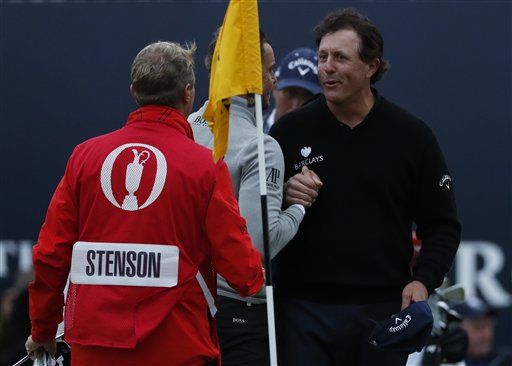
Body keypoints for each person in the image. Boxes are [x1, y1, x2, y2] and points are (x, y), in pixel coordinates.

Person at [24, 41, 265, 366]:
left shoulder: (85, 157)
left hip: (95, 350)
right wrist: (256, 275)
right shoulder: (206, 166)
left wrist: (42, 329)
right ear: (188, 94)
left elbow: (51, 255)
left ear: (134, 90)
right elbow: (243, 274)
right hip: (179, 347)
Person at [269, 8, 461, 366]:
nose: (327, 67)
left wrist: (423, 281)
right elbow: (252, 217)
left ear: (371, 66)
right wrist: (281, 196)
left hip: (382, 312)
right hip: (301, 310)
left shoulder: (411, 137)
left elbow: (442, 225)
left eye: (340, 58)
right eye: (322, 57)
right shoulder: (287, 133)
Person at [188, 29, 320, 366]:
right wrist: (298, 208)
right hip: (238, 315)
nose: (274, 80)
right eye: (269, 69)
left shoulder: (186, 128)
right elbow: (259, 248)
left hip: (184, 305)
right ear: (248, 76)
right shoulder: (261, 147)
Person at [263, 47, 322, 133]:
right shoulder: (251, 133)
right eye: (291, 93)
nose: (296, 105)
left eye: (307, 97)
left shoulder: (329, 141)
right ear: (274, 88)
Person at [454, 297, 512, 366]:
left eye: (489, 325)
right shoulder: (443, 362)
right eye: (478, 326)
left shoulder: (505, 361)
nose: (487, 334)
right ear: (456, 330)